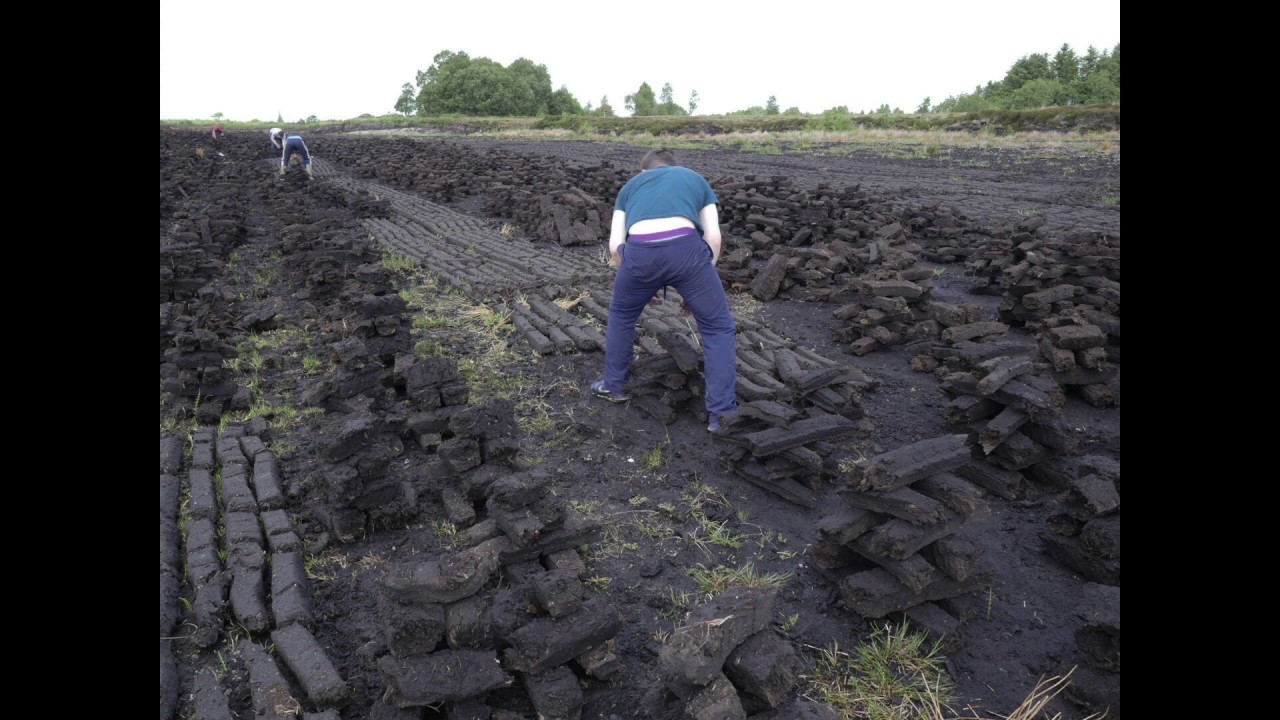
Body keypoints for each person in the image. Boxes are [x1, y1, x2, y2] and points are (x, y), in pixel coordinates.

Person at [592, 147, 738, 433]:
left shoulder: (630, 187)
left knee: (622, 315)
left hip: (638, 254)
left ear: (645, 172)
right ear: (673, 166)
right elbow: (714, 237)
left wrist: (645, 281)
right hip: (687, 250)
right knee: (717, 328)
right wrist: (699, 280)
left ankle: (614, 386)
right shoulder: (694, 178)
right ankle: (722, 414)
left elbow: (614, 247)